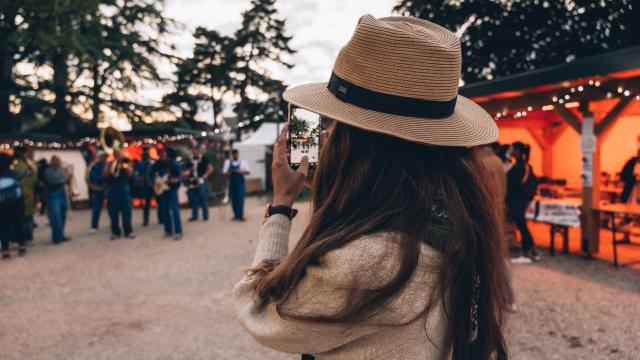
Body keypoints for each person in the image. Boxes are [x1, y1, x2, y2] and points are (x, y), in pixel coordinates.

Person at [233, 15, 508, 359]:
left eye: (338, 123)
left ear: (360, 143)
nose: (329, 134)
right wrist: (342, 190)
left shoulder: (370, 262)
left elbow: (260, 307)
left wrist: (282, 203)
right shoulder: (453, 221)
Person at [507, 142, 539, 262]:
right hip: (523, 199)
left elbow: (512, 185)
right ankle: (531, 250)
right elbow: (535, 182)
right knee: (522, 225)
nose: (510, 150)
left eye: (512, 148)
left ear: (517, 151)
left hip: (516, 200)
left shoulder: (518, 167)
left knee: (522, 225)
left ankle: (528, 251)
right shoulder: (526, 166)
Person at [150, 147, 183, 239]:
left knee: (175, 210)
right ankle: (168, 230)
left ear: (166, 153)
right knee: (164, 210)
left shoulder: (173, 163)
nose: (162, 154)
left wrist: (176, 180)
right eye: (160, 153)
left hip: (172, 188)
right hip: (162, 190)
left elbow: (180, 175)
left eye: (163, 152)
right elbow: (150, 175)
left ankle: (178, 231)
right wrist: (155, 182)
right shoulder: (156, 164)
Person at [104, 151, 135, 240]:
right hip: (112, 190)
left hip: (123, 189)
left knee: (126, 212)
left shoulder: (125, 162)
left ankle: (128, 231)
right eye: (116, 154)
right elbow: (105, 174)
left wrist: (127, 165)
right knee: (113, 213)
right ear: (114, 155)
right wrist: (109, 166)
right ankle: (115, 232)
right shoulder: (109, 163)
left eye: (119, 154)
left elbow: (130, 174)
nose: (117, 155)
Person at [0, 153, 26, 258]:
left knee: (3, 226)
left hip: (2, 203)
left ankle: (6, 250)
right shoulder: (14, 173)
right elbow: (26, 173)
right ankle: (21, 246)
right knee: (18, 224)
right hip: (16, 202)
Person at [43, 155, 71, 244]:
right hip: (53, 194)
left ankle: (61, 235)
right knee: (56, 217)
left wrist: (68, 178)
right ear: (52, 162)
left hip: (62, 193)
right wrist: (65, 178)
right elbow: (52, 182)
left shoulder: (61, 170)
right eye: (56, 160)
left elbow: (65, 182)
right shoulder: (48, 171)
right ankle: (56, 238)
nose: (58, 162)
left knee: (63, 215)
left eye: (59, 160)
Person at [12, 145, 38, 242]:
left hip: (21, 193)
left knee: (24, 216)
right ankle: (26, 235)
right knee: (26, 216)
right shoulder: (29, 164)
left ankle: (25, 235)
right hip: (26, 193)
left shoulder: (14, 164)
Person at [186, 144, 214, 221]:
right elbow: (186, 170)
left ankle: (205, 216)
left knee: (203, 198)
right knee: (193, 198)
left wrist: (204, 176)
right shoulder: (189, 159)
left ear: (198, 150)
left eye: (194, 149)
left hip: (202, 180)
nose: (193, 151)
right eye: (192, 149)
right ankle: (195, 216)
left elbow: (210, 168)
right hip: (192, 181)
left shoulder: (204, 158)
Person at [134, 147, 158, 226]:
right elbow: (136, 174)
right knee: (146, 204)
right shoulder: (140, 164)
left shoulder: (153, 162)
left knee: (159, 202)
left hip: (154, 185)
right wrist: (139, 179)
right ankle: (145, 220)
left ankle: (161, 219)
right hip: (145, 186)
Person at [223, 149, 250, 221]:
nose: (235, 155)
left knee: (240, 199)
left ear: (238, 154)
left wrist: (240, 171)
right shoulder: (228, 162)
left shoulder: (243, 162)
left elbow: (248, 172)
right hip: (232, 184)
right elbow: (224, 173)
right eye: (234, 154)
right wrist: (230, 172)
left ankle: (240, 215)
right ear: (232, 155)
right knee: (233, 200)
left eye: (236, 154)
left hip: (240, 184)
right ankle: (236, 215)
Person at [88, 151, 108, 233]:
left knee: (112, 209)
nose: (104, 158)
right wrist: (102, 177)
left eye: (105, 156)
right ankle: (94, 226)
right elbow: (92, 177)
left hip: (108, 189)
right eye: (103, 156)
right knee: (96, 209)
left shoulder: (109, 165)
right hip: (99, 190)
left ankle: (114, 225)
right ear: (100, 157)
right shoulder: (95, 166)